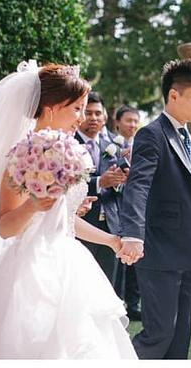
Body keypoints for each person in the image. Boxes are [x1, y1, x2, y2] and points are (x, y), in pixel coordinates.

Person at [0, 62, 137, 358]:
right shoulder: (21, 154)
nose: (82, 118)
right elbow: (5, 226)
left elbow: (66, 223)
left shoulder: (69, 152)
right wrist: (34, 205)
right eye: (76, 109)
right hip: (28, 270)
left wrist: (111, 240)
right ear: (51, 107)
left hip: (70, 264)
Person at [116, 60, 191, 359]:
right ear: (173, 95)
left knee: (180, 335)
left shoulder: (187, 136)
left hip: (184, 253)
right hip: (157, 251)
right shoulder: (151, 134)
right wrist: (133, 235)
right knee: (158, 334)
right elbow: (137, 186)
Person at [76, 93, 128, 283]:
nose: (93, 118)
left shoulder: (112, 145)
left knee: (108, 285)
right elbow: (66, 185)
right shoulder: (68, 142)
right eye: (88, 113)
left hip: (111, 225)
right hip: (81, 225)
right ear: (80, 115)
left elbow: (121, 186)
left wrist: (120, 182)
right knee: (80, 283)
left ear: (105, 117)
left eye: (98, 113)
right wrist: (99, 182)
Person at [111, 104, 143, 319]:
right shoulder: (110, 146)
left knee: (135, 261)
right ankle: (116, 303)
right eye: (128, 120)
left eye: (135, 121)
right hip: (115, 208)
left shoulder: (142, 146)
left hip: (137, 212)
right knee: (117, 260)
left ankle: (134, 304)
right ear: (117, 123)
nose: (132, 125)